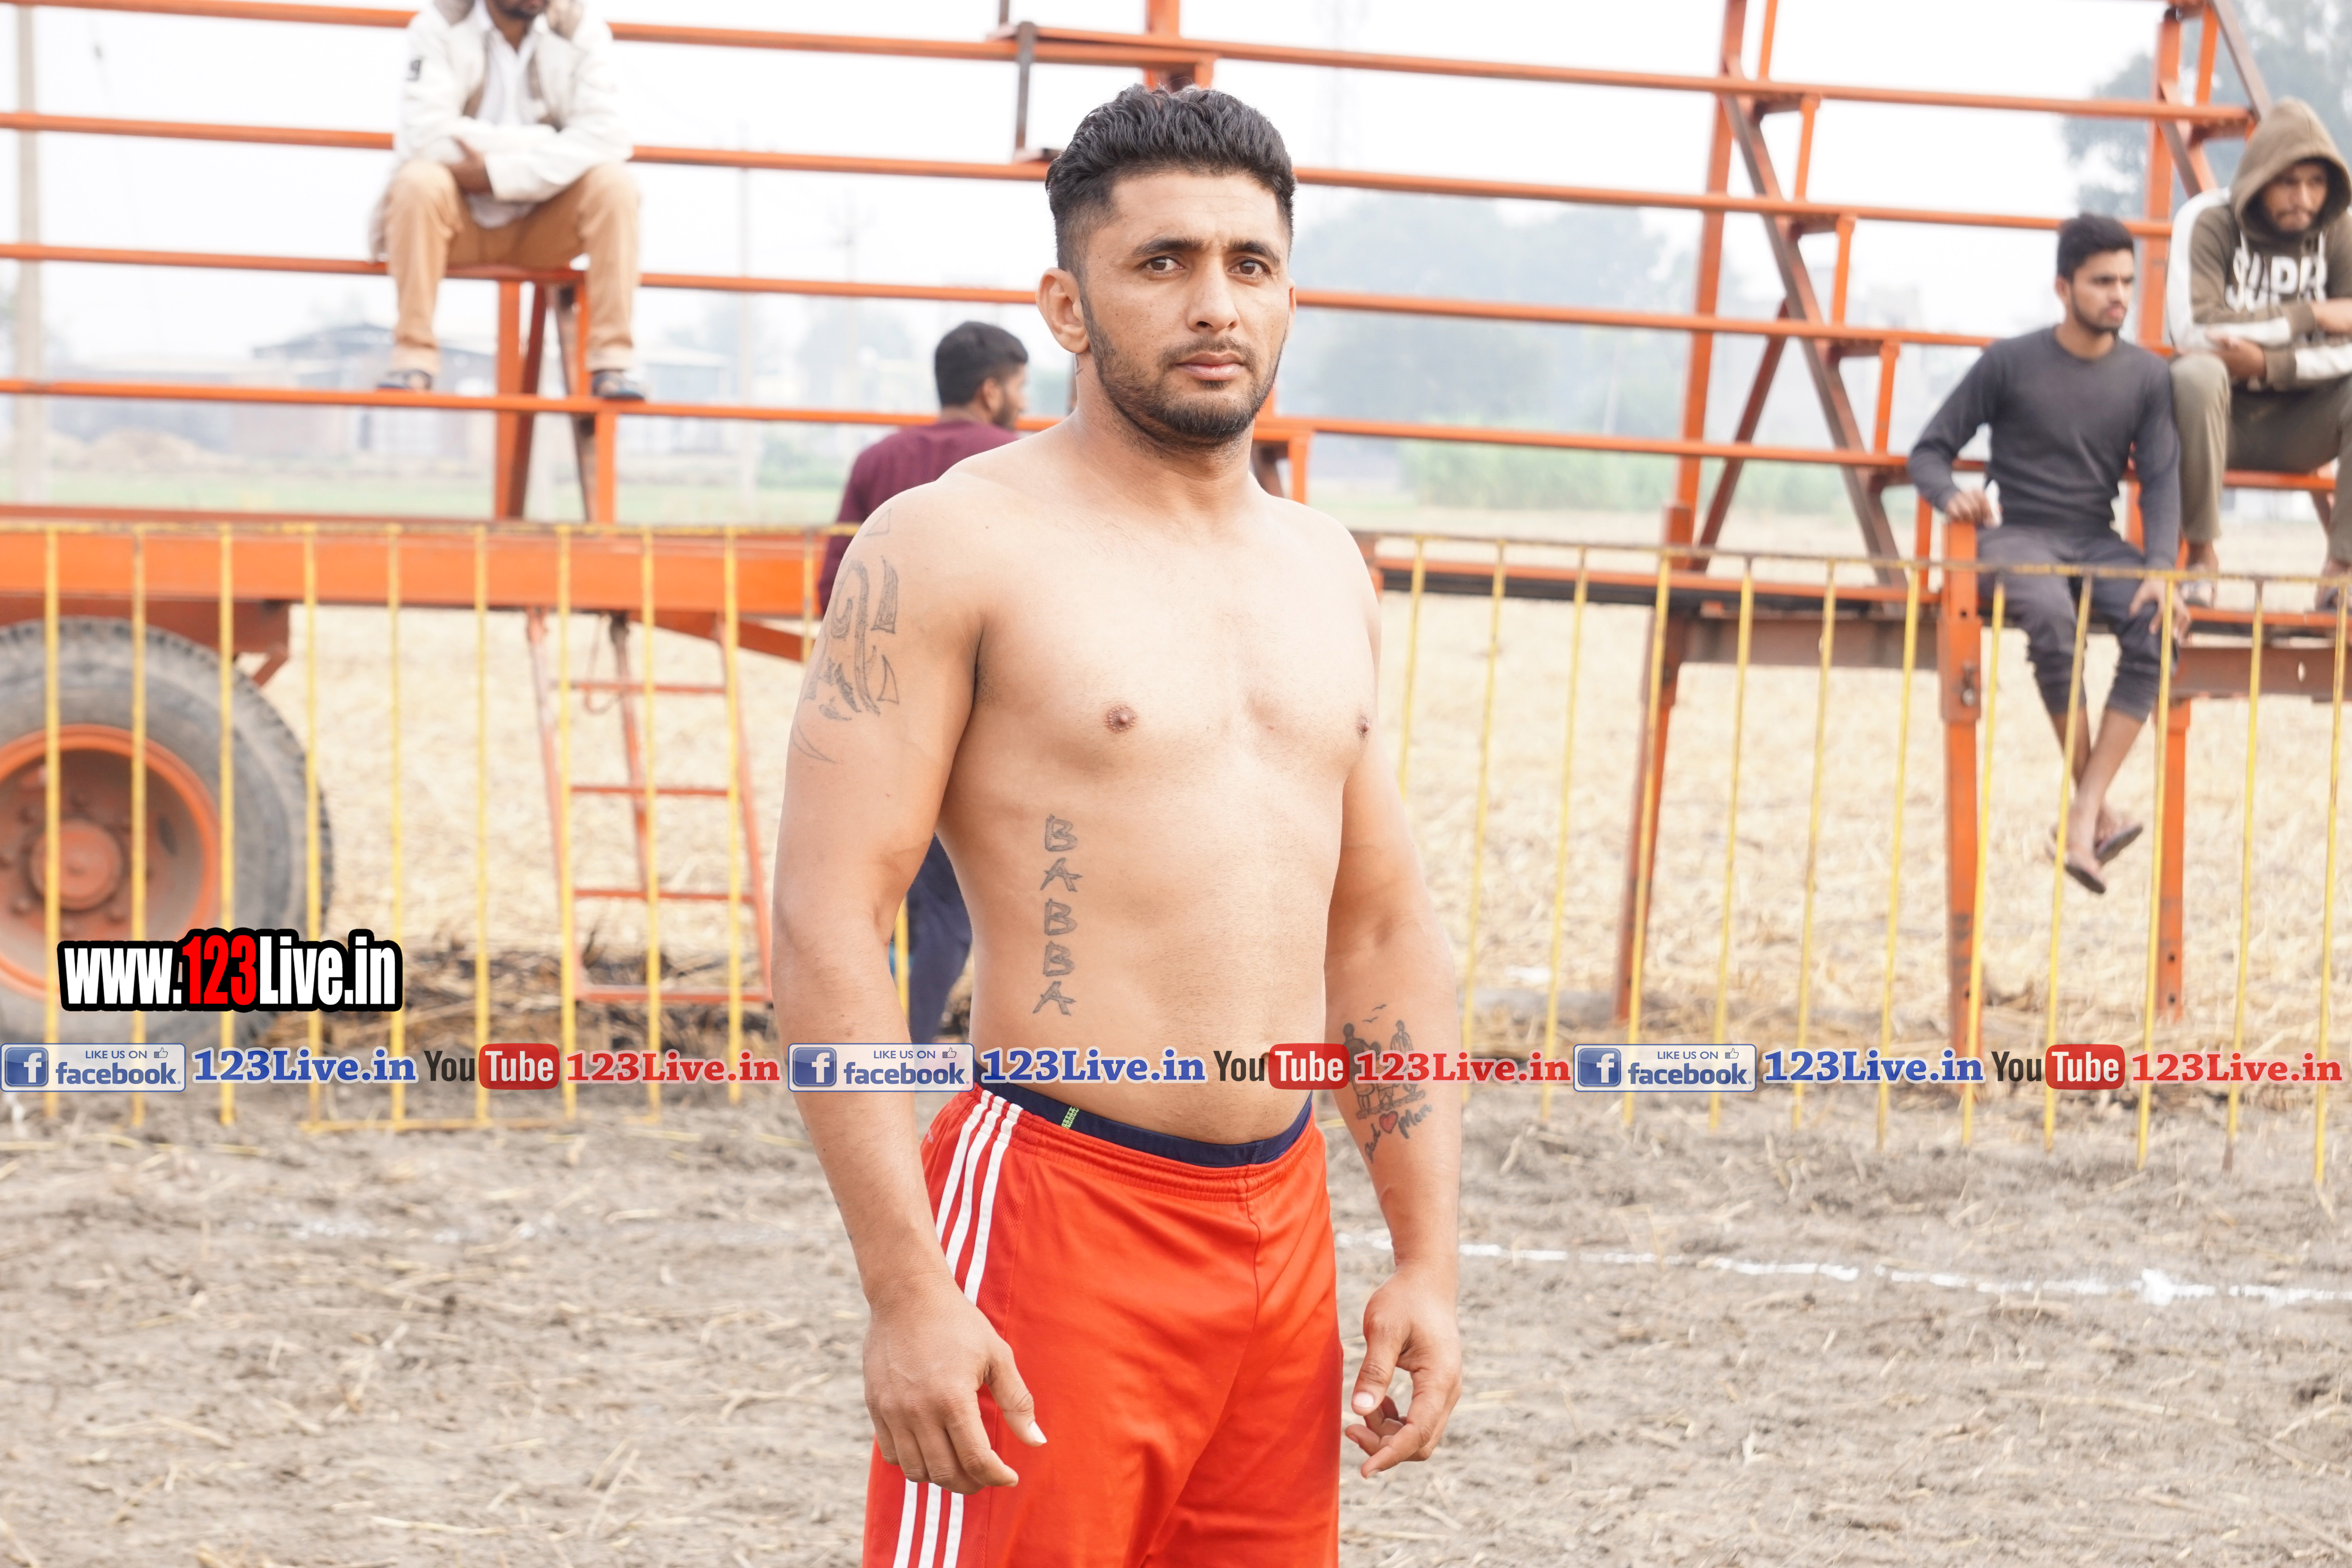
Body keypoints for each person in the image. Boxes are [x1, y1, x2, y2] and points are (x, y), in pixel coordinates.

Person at [773, 85, 1463, 1568]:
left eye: (1250, 263)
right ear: (1065, 307)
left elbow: (1377, 925)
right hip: (1056, 1209)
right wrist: (905, 1287)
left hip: (1282, 1226)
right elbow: (830, 915)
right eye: (1162, 262)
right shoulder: (949, 543)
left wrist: (1425, 1256)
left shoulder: (1324, 566)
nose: (1215, 303)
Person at [1909, 213, 2193, 896]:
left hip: (2097, 541)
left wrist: (2161, 569)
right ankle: (2093, 813)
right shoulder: (2008, 362)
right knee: (2052, 618)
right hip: (2017, 536)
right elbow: (1929, 451)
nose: (2118, 295)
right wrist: (1950, 495)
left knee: (2159, 624)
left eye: (2126, 281)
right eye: (2102, 282)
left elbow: (2161, 479)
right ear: (2063, 288)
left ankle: (2085, 811)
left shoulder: (2147, 377)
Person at [820, 320, 1033, 1043]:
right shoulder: (1021, 466)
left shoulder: (877, 461)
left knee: (865, 897)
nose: (1024, 403)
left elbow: (834, 589)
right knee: (949, 905)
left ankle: (862, 1041)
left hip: (875, 715)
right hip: (983, 726)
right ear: (991, 391)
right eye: (1020, 388)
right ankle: (906, 1050)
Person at [370, 0, 645, 399]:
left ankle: (612, 365)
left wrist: (495, 173)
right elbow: (425, 137)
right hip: (457, 226)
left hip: (547, 228)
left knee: (615, 185)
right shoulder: (438, 25)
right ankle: (413, 358)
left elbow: (609, 137)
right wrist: (551, 142)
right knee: (417, 181)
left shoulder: (580, 28)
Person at [2167, 98, 2352, 603]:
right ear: (2259, 177)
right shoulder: (2208, 220)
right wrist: (2310, 315)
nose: (2304, 198)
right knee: (2197, 373)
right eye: (2287, 182)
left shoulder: (2340, 229)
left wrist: (2270, 363)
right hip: (2216, 419)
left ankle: (2340, 571)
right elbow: (2196, 331)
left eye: (2316, 183)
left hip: (2305, 421)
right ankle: (2201, 557)